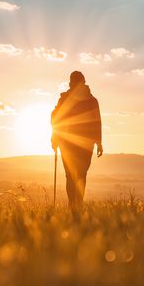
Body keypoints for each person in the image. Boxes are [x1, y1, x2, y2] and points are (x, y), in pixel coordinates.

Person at [51, 71, 103, 212]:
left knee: (72, 174)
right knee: (79, 174)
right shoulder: (91, 100)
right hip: (83, 142)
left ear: (71, 83)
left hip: (68, 141)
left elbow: (55, 118)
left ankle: (74, 204)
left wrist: (54, 138)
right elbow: (96, 121)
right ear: (83, 82)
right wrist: (98, 142)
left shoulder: (65, 99)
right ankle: (76, 204)